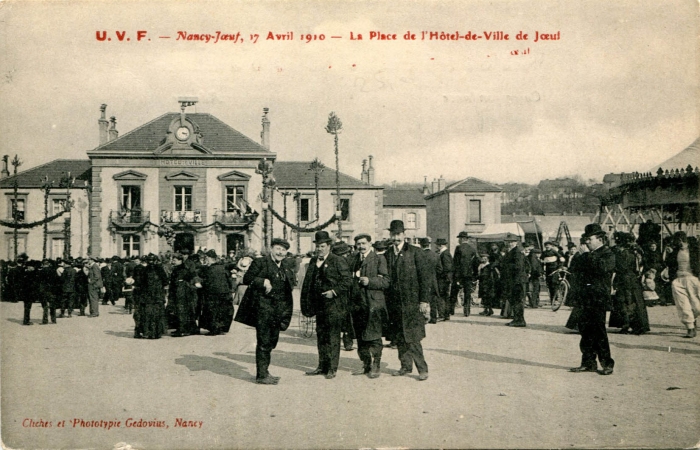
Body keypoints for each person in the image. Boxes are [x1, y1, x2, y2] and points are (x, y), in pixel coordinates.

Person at [236, 238, 295, 385]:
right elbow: (247, 278)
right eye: (278, 249)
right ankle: (261, 375)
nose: (280, 252)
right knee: (264, 341)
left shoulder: (285, 266)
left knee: (272, 341)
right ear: (271, 249)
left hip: (278, 310)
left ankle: (265, 371)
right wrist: (262, 281)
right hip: (263, 309)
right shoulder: (261, 262)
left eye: (283, 250)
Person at [300, 231, 352, 379]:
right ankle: (322, 366)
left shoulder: (338, 260)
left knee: (333, 337)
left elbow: (347, 281)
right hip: (319, 306)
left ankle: (332, 368)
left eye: (322, 246)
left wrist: (334, 292)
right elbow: (308, 282)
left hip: (334, 305)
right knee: (321, 336)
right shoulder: (313, 261)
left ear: (329, 246)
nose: (319, 249)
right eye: (317, 246)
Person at [384, 220, 430, 381]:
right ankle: (405, 366)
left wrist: (424, 301)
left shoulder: (415, 252)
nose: (395, 237)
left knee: (413, 338)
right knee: (399, 336)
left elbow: (425, 278)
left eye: (398, 234)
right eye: (393, 234)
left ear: (404, 234)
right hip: (394, 304)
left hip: (411, 303)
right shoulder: (388, 254)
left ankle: (422, 369)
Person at [569, 223, 616, 375]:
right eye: (585, 239)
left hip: (598, 299)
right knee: (585, 331)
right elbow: (574, 270)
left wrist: (586, 255)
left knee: (599, 332)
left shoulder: (608, 254)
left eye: (589, 239)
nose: (586, 242)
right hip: (584, 298)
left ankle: (607, 364)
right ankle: (588, 363)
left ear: (600, 239)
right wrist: (580, 256)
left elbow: (602, 268)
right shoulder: (585, 254)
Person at [348, 233, 390, 378]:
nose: (361, 246)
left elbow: (386, 281)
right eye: (358, 244)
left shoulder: (379, 259)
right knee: (360, 336)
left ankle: (376, 365)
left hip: (373, 303)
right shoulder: (353, 259)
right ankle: (365, 364)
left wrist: (370, 281)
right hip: (357, 303)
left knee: (374, 335)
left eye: (363, 243)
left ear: (370, 244)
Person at [666, 231, 700, 338]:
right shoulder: (675, 251)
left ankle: (693, 318)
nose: (680, 243)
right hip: (678, 280)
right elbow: (669, 264)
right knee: (683, 304)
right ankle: (690, 328)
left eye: (682, 241)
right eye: (678, 241)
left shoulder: (695, 250)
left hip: (693, 279)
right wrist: (669, 254)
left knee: (697, 306)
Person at [199, 250, 235, 336]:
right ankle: (221, 328)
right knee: (223, 310)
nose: (205, 260)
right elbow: (229, 280)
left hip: (213, 293)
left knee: (212, 311)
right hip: (225, 292)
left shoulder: (209, 269)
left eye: (206, 258)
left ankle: (214, 329)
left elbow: (206, 282)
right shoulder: (223, 267)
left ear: (209, 258)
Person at [133, 254, 169, 339]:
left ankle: (149, 332)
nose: (151, 262)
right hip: (154, 296)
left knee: (149, 314)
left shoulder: (145, 270)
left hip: (150, 296)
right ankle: (154, 333)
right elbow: (165, 282)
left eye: (152, 260)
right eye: (150, 260)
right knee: (154, 314)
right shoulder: (158, 269)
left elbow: (139, 283)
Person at [332, 241, 356, 351]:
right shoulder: (348, 261)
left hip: (340, 294)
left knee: (344, 318)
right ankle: (348, 341)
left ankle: (346, 340)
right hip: (345, 294)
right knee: (347, 318)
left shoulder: (334, 261)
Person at [169, 253, 199, 337]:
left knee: (181, 311)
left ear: (180, 260)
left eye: (174, 260)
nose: (173, 262)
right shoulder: (178, 268)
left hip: (182, 293)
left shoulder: (182, 270)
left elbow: (181, 282)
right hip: (180, 293)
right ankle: (186, 329)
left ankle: (182, 330)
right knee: (182, 311)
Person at [450, 231, 478, 317]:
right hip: (469, 275)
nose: (458, 240)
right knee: (467, 293)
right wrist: (475, 274)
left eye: (459, 239)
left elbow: (456, 263)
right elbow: (476, 262)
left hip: (459, 275)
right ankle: (467, 311)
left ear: (462, 239)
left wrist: (455, 275)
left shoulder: (458, 248)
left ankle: (451, 310)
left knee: (454, 292)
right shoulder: (473, 249)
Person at [502, 234, 527, 327]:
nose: (509, 243)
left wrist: (506, 267)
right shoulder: (511, 251)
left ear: (516, 242)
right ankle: (517, 319)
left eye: (511, 242)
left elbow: (518, 266)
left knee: (517, 300)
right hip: (512, 280)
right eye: (508, 242)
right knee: (513, 299)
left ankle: (519, 320)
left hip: (517, 280)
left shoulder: (517, 252)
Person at [419, 237, 442, 324]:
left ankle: (422, 317)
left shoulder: (419, 254)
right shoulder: (435, 255)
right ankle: (433, 318)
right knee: (433, 301)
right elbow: (440, 269)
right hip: (433, 281)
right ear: (429, 244)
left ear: (421, 245)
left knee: (421, 299)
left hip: (421, 280)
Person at [435, 238, 453, 321]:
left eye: (437, 245)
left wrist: (440, 274)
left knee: (441, 296)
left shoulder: (444, 254)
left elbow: (447, 268)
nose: (436, 247)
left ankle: (442, 314)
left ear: (441, 245)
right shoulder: (446, 253)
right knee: (445, 296)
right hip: (446, 278)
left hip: (443, 279)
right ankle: (446, 314)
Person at [38, 259, 59, 324]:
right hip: (52, 290)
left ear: (43, 264)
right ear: (48, 264)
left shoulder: (41, 272)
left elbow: (39, 281)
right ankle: (53, 320)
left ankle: (45, 320)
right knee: (52, 305)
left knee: (45, 306)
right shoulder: (53, 271)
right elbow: (57, 280)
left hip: (44, 290)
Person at [526, 242, 543, 308]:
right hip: (535, 276)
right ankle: (534, 303)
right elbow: (534, 268)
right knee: (535, 290)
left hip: (532, 276)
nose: (539, 255)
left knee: (532, 290)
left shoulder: (532, 258)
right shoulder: (534, 259)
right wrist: (539, 274)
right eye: (539, 253)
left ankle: (533, 303)